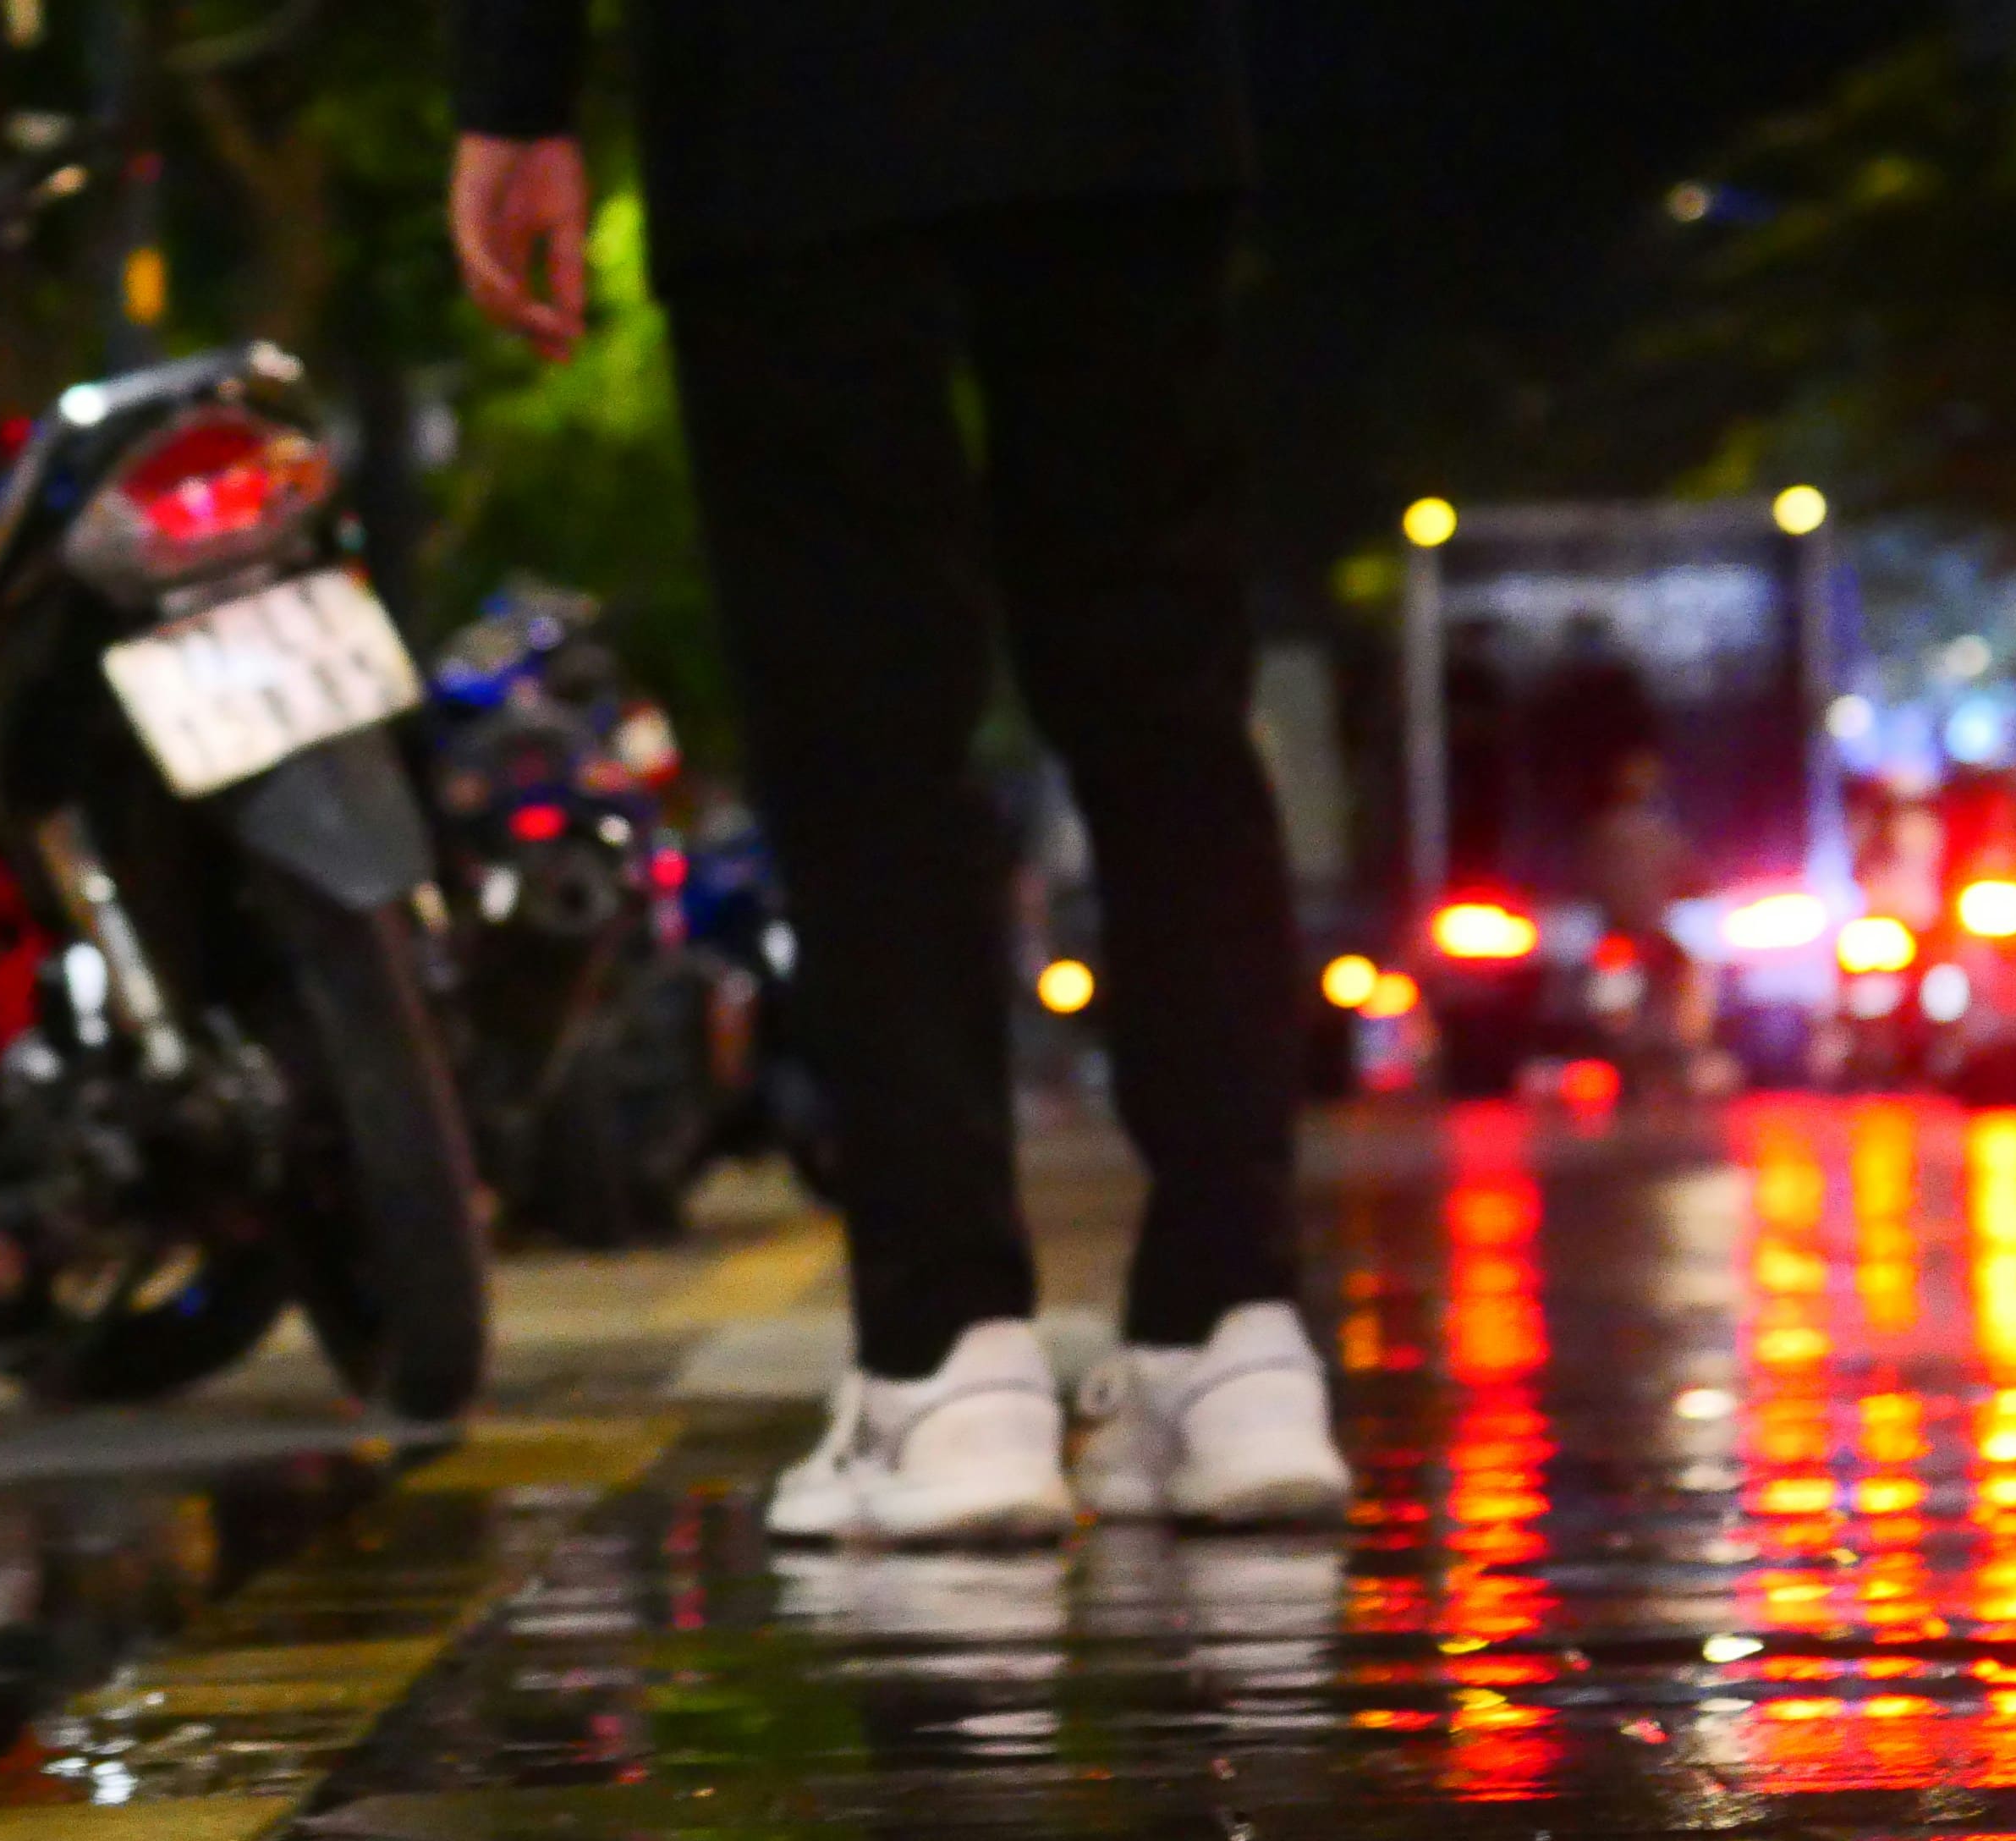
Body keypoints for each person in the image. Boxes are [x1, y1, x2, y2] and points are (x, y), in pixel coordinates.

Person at [448, 0, 1349, 1545]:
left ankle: (948, 1367)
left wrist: (517, 89)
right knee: (1165, 698)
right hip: (1122, 91)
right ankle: (1233, 1336)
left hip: (789, 100)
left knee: (865, 721)